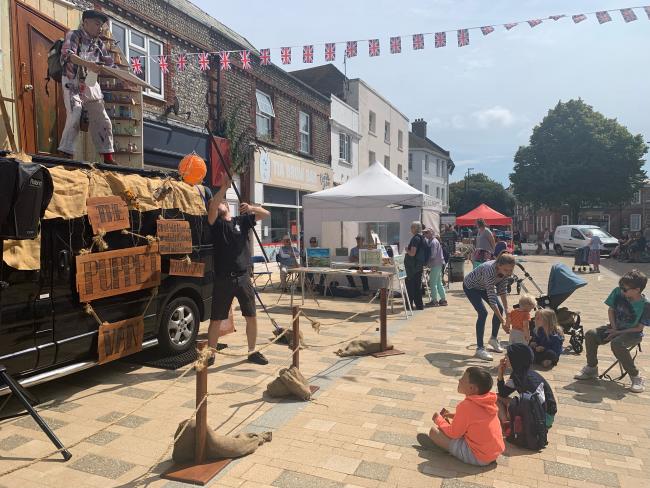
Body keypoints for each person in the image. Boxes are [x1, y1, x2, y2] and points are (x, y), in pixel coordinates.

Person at [207, 176, 270, 365]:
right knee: (216, 318)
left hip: (243, 277)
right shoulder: (215, 224)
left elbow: (265, 213)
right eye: (215, 203)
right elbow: (211, 208)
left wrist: (251, 208)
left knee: (251, 315)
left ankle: (252, 352)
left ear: (226, 205)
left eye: (220, 202)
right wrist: (223, 188)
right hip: (224, 279)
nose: (217, 204)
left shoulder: (241, 221)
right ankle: (210, 354)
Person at [575, 270, 648, 393]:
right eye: (621, 288)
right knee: (591, 334)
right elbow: (611, 310)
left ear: (637, 289)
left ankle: (636, 376)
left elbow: (639, 328)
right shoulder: (618, 292)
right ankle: (592, 367)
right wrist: (614, 329)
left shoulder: (646, 305)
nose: (622, 291)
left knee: (617, 343)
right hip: (615, 327)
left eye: (625, 289)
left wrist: (617, 333)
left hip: (632, 333)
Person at [58, 10, 115, 164]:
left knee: (102, 118)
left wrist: (124, 77)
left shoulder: (99, 43)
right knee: (75, 113)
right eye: (97, 24)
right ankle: (65, 154)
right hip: (73, 80)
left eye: (101, 25)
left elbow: (110, 64)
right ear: (86, 22)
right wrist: (88, 64)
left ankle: (108, 156)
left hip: (90, 82)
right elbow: (67, 55)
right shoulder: (74, 35)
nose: (100, 28)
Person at [419, 367, 504, 466]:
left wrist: (438, 420)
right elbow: (473, 419)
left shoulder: (466, 406)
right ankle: (448, 445)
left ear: (472, 388)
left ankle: (445, 448)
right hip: (493, 453)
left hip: (479, 457)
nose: (459, 380)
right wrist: (450, 415)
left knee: (434, 432)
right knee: (447, 428)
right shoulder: (488, 400)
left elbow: (454, 433)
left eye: (463, 379)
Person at [463, 253, 516, 361]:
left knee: (500, 309)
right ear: (499, 265)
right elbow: (492, 298)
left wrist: (507, 311)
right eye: (506, 270)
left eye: (511, 270)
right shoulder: (489, 270)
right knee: (483, 313)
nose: (509, 273)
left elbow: (502, 290)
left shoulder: (505, 272)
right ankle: (480, 349)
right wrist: (503, 322)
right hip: (471, 287)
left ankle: (493, 339)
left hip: (483, 287)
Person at [497, 344, 558, 430]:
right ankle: (506, 423)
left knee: (501, 402)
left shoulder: (529, 379)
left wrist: (516, 410)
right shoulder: (518, 374)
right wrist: (500, 375)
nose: (505, 357)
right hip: (539, 411)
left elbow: (541, 404)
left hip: (544, 417)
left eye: (508, 355)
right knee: (496, 397)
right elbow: (503, 393)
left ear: (515, 360)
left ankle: (509, 423)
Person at [405, 221, 426, 310]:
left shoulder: (415, 239)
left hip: (412, 267)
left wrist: (407, 250)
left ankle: (409, 306)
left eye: (412, 227)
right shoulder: (422, 238)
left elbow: (412, 253)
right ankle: (419, 305)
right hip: (419, 266)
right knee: (417, 287)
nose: (411, 229)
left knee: (410, 286)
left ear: (415, 228)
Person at [424, 229, 447, 307]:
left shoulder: (433, 242)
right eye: (424, 233)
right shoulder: (433, 241)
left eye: (427, 232)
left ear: (431, 233)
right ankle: (443, 300)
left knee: (432, 283)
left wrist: (426, 263)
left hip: (435, 264)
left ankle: (434, 301)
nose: (425, 234)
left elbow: (433, 255)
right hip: (439, 264)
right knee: (438, 282)